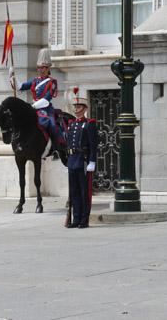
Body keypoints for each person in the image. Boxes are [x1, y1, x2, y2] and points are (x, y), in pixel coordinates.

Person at [12, 49, 67, 158]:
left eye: (42, 68)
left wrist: (33, 106)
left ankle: (56, 149)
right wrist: (13, 76)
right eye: (39, 68)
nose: (40, 70)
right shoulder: (35, 80)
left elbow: (46, 99)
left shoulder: (52, 82)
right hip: (34, 108)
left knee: (52, 125)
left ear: (48, 68)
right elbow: (21, 87)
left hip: (46, 109)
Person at [65, 88, 97, 229]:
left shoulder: (89, 124)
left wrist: (92, 161)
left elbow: (93, 144)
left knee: (85, 192)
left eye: (78, 107)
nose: (76, 109)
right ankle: (75, 218)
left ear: (84, 109)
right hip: (73, 161)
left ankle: (84, 219)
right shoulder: (72, 124)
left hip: (83, 162)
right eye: (75, 106)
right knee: (74, 192)